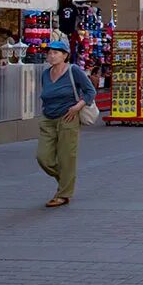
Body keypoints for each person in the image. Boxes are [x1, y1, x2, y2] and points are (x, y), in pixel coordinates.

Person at [36, 39, 96, 207]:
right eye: (49, 53)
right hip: (48, 118)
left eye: (55, 53)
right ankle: (65, 180)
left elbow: (90, 91)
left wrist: (77, 107)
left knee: (66, 157)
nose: (51, 56)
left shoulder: (73, 70)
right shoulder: (46, 74)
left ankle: (64, 193)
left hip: (68, 117)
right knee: (43, 157)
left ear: (65, 55)